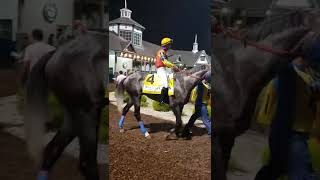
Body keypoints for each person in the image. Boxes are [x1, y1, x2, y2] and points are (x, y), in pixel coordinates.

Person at [255, 34, 320, 180]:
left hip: (291, 133)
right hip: (291, 134)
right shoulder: (290, 75)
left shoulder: (304, 76)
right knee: (299, 173)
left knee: (275, 169)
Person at [182, 70, 212, 139]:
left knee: (194, 117)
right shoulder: (206, 86)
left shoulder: (201, 85)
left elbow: (199, 81)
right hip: (202, 105)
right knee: (206, 119)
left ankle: (185, 130)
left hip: (198, 104)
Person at [155, 37, 178, 104]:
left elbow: (167, 64)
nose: (170, 46)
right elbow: (165, 62)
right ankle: (161, 100)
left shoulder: (165, 53)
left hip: (165, 69)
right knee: (165, 84)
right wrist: (173, 66)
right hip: (160, 70)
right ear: (165, 45)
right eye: (169, 44)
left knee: (173, 78)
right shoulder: (161, 52)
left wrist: (174, 68)